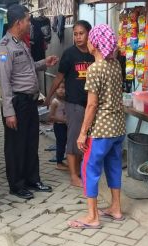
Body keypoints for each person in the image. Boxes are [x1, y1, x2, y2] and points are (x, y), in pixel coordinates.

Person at [0, 4, 59, 200]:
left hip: (30, 103)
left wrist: (43, 63)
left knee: (31, 143)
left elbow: (26, 69)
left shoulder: (22, 43)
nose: (30, 23)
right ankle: (17, 184)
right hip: (17, 104)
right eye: (28, 20)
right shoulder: (4, 48)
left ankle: (33, 179)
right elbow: (5, 82)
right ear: (18, 22)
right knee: (16, 146)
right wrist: (9, 112)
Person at [68, 24, 126, 229]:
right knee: (114, 166)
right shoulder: (115, 65)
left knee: (88, 168)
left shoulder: (95, 69)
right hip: (118, 127)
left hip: (101, 130)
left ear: (95, 43)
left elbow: (92, 105)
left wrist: (83, 133)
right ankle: (116, 208)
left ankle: (92, 217)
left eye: (90, 38)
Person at [44, 20, 95, 188]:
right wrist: (49, 96)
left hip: (91, 104)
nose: (78, 37)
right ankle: (74, 176)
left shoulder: (94, 54)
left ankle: (80, 171)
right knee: (74, 140)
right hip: (74, 104)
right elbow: (59, 77)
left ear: (89, 33)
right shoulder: (69, 54)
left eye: (81, 33)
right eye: (75, 34)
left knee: (85, 141)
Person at [48, 82, 68, 171]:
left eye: (63, 87)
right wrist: (63, 120)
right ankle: (59, 163)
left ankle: (61, 161)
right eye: (59, 88)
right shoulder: (55, 102)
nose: (61, 90)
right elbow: (51, 117)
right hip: (59, 126)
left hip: (66, 126)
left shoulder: (66, 101)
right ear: (55, 90)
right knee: (60, 144)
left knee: (64, 144)